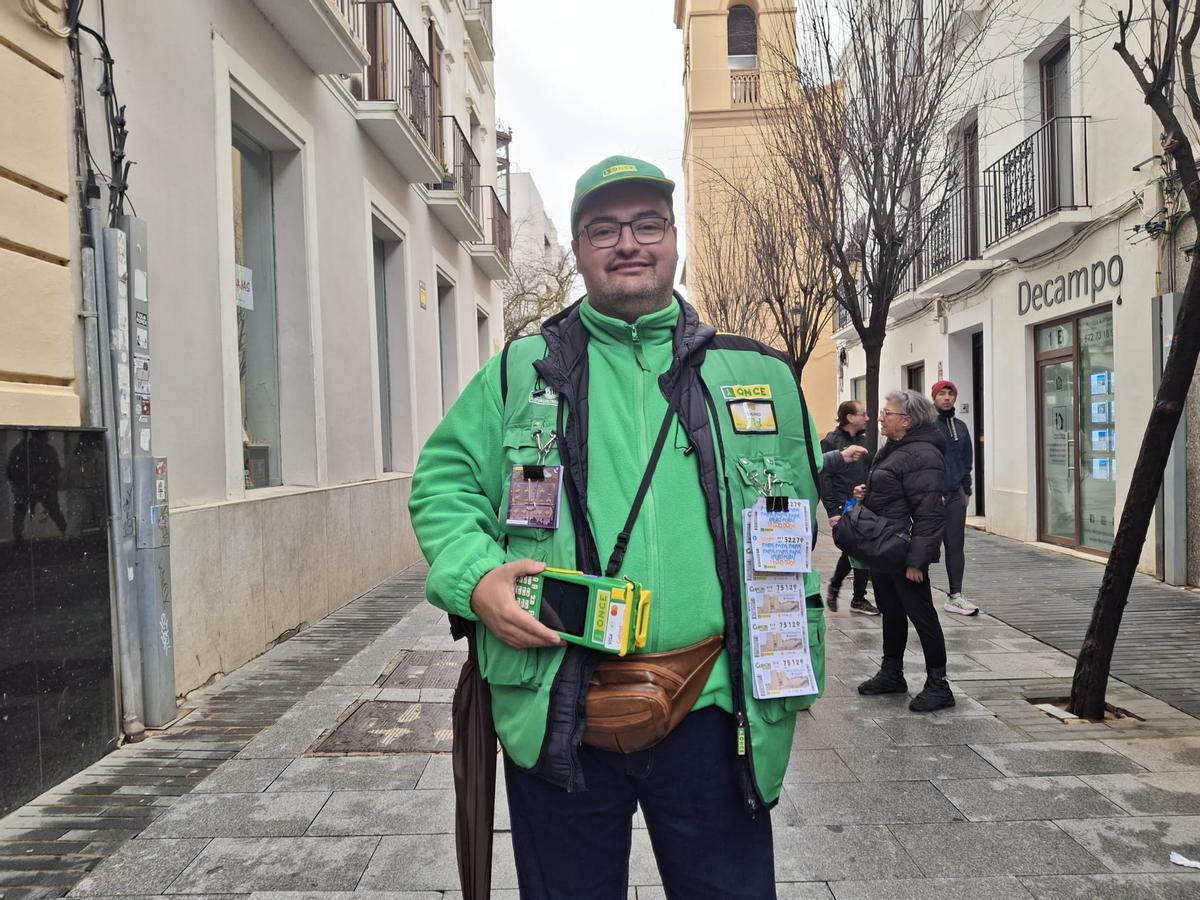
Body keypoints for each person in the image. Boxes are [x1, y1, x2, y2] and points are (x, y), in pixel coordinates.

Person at [409, 155, 863, 899]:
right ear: (580, 250)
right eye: (603, 229)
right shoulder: (519, 371)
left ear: (674, 237)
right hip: (560, 701)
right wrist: (475, 577)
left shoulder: (762, 374)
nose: (628, 243)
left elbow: (793, 508)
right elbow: (444, 483)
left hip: (717, 708)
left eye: (647, 224)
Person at [853, 389, 954, 712]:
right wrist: (867, 492)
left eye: (887, 413)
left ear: (907, 421)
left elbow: (928, 511)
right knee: (892, 611)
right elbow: (893, 490)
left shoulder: (922, 454)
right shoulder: (896, 448)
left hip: (904, 548)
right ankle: (892, 673)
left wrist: (918, 560)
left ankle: (939, 684)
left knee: (921, 614)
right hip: (885, 545)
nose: (881, 417)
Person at [820, 400, 878, 615]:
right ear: (850, 417)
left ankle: (840, 588)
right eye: (863, 414)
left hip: (863, 505)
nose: (867, 418)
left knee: (856, 550)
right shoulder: (831, 442)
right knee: (857, 549)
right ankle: (857, 597)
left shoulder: (864, 441)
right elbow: (824, 478)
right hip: (843, 506)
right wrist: (832, 511)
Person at [931, 380, 980, 616]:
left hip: (956, 495)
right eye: (942, 393)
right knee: (927, 545)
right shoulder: (928, 426)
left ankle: (955, 595)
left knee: (955, 545)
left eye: (950, 393)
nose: (947, 398)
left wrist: (967, 490)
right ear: (934, 397)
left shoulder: (961, 427)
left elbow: (966, 460)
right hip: (932, 497)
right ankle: (914, 592)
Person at [6, 430, 68, 542]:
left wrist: (51, 484)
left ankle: (64, 533)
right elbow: (10, 471)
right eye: (44, 437)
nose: (45, 440)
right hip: (26, 489)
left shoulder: (46, 450)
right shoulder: (21, 450)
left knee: (55, 511)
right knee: (20, 514)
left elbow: (56, 470)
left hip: (42, 488)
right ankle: (18, 539)